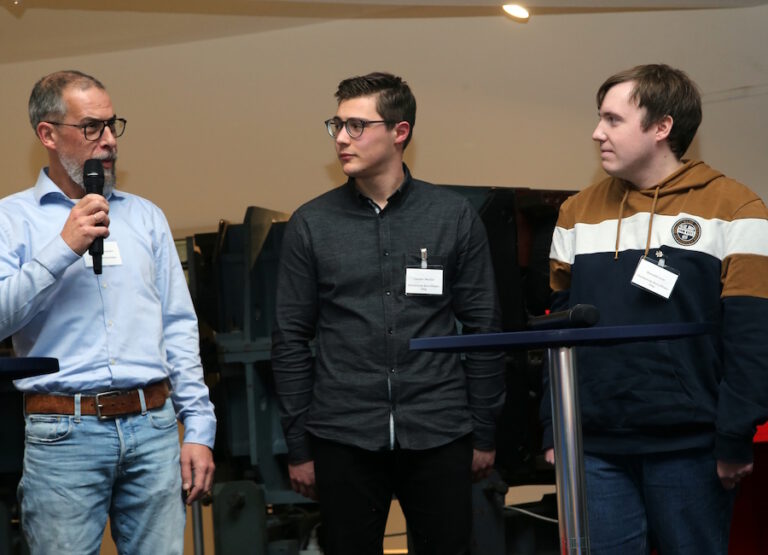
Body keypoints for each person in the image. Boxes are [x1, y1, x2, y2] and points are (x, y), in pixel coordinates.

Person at [271, 72, 505, 555]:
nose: (340, 138)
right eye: (336, 124)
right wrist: (298, 445)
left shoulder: (452, 215)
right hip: (343, 434)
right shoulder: (310, 223)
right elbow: (290, 339)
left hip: (440, 429)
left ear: (400, 132)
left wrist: (484, 430)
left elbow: (483, 329)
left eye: (356, 126)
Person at [541, 63, 768, 554]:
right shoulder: (575, 213)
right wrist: (554, 427)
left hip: (691, 448)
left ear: (662, 127)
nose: (596, 132)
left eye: (613, 120)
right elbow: (556, 331)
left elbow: (752, 336)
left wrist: (734, 437)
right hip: (595, 447)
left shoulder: (738, 208)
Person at [0, 70, 217, 554]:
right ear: (48, 134)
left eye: (112, 124)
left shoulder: (145, 216)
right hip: (64, 435)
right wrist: (61, 249)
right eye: (92, 127)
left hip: (155, 429)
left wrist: (198, 429)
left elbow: (180, 328)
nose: (110, 140)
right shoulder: (10, 220)